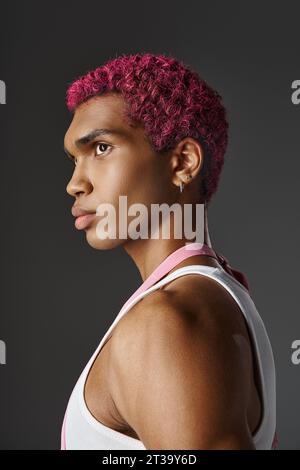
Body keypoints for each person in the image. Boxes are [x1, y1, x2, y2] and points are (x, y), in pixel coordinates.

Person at [61, 53, 277, 450]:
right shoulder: (210, 297)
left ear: (183, 163)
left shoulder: (166, 322)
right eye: (75, 158)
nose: (75, 184)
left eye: (102, 148)